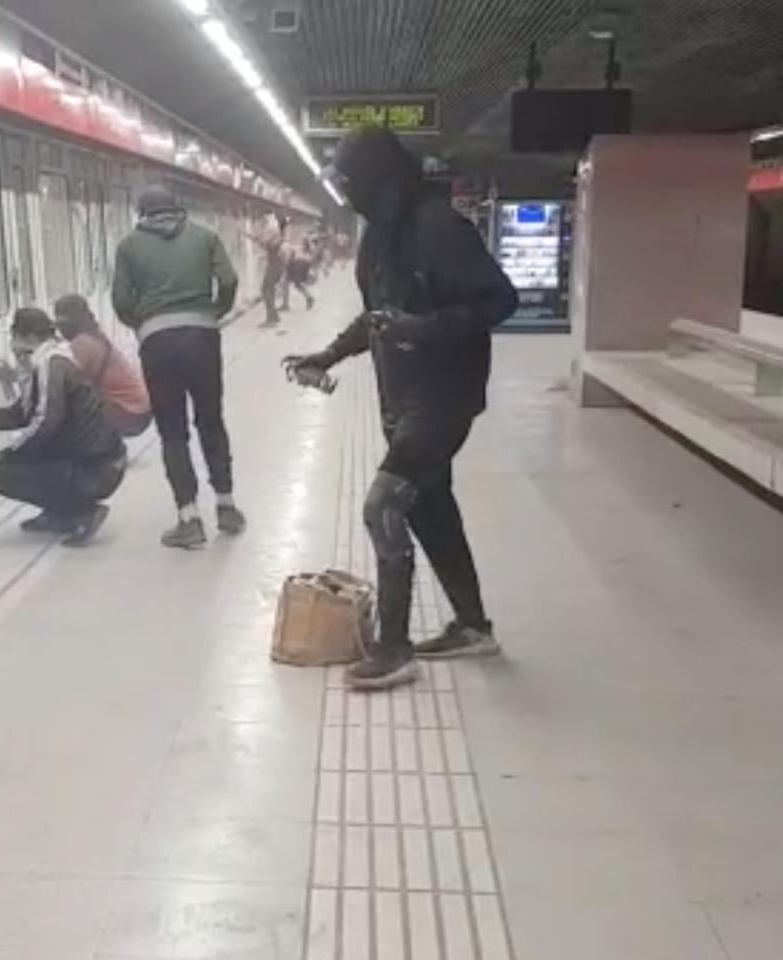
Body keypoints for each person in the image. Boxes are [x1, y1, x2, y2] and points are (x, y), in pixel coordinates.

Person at [286, 127, 518, 690]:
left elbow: (501, 298)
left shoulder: (438, 228)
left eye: (350, 176)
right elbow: (378, 316)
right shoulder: (380, 236)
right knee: (429, 509)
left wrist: (428, 327)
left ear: (381, 176)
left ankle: (395, 647)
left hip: (444, 397)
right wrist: (329, 354)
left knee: (383, 506)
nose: (345, 188)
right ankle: (472, 626)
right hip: (403, 395)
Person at [112, 186, 246, 548]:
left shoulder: (129, 246)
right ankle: (226, 505)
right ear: (178, 208)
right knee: (211, 419)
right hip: (203, 337)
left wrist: (144, 324)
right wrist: (213, 312)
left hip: (157, 343)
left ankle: (189, 518)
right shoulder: (204, 236)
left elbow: (122, 301)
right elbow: (230, 281)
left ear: (142, 213)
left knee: (173, 431)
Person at [0, 308, 125, 547]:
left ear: (32, 338)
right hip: (99, 461)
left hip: (97, 468)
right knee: (9, 463)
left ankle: (81, 512)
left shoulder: (51, 364)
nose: (13, 346)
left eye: (15, 337)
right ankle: (60, 514)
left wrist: (10, 453)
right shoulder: (51, 360)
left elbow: (46, 422)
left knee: (1, 471)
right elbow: (16, 416)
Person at [52, 293, 153, 438]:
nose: (61, 330)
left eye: (63, 325)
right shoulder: (94, 336)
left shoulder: (83, 343)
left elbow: (64, 384)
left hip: (128, 414)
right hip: (139, 411)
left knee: (69, 404)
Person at [251, 213, 286, 327]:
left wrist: (257, 239)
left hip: (275, 265)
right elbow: (266, 243)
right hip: (276, 265)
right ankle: (274, 316)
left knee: (266, 290)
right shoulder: (276, 233)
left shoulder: (274, 232)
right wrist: (256, 238)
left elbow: (266, 243)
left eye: (265, 221)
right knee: (267, 290)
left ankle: (271, 319)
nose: (263, 224)